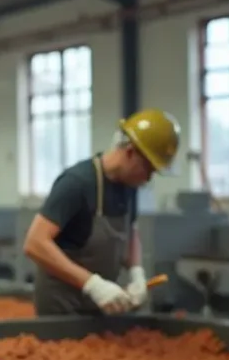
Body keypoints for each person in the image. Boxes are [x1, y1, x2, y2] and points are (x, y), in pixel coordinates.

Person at [22, 108, 180, 317]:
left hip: (99, 309)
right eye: (148, 169)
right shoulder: (76, 183)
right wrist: (93, 284)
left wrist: (136, 272)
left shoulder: (129, 186)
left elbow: (130, 231)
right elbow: (35, 243)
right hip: (61, 308)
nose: (149, 178)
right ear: (130, 152)